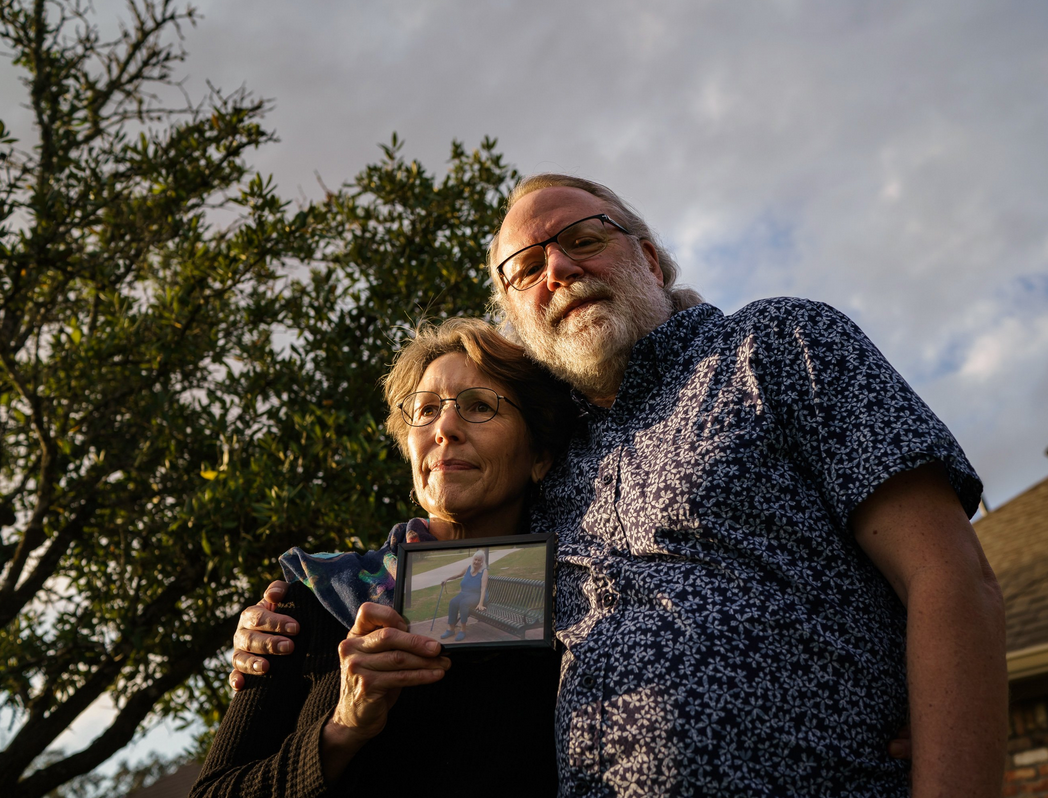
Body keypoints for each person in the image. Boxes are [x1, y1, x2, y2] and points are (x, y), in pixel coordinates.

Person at [233, 175, 1008, 797]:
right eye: (526, 268)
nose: (558, 270)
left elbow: (949, 575)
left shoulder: (775, 344)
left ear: (652, 259)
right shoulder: (551, 468)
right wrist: (283, 627)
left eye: (582, 239)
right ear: (516, 317)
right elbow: (422, 588)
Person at [191, 319, 575, 797]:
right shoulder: (315, 599)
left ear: (539, 454)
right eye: (426, 409)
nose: (445, 428)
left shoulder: (579, 602)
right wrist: (341, 729)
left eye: (480, 406)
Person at [439, 550, 489, 641]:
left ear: (482, 561)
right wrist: (447, 579)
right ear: (473, 559)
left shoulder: (484, 571)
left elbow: (483, 588)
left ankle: (463, 630)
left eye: (479, 560)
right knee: (453, 602)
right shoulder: (469, 568)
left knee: (464, 603)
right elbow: (458, 575)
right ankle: (450, 629)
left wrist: (481, 603)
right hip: (465, 593)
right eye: (475, 559)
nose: (476, 562)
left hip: (477, 595)